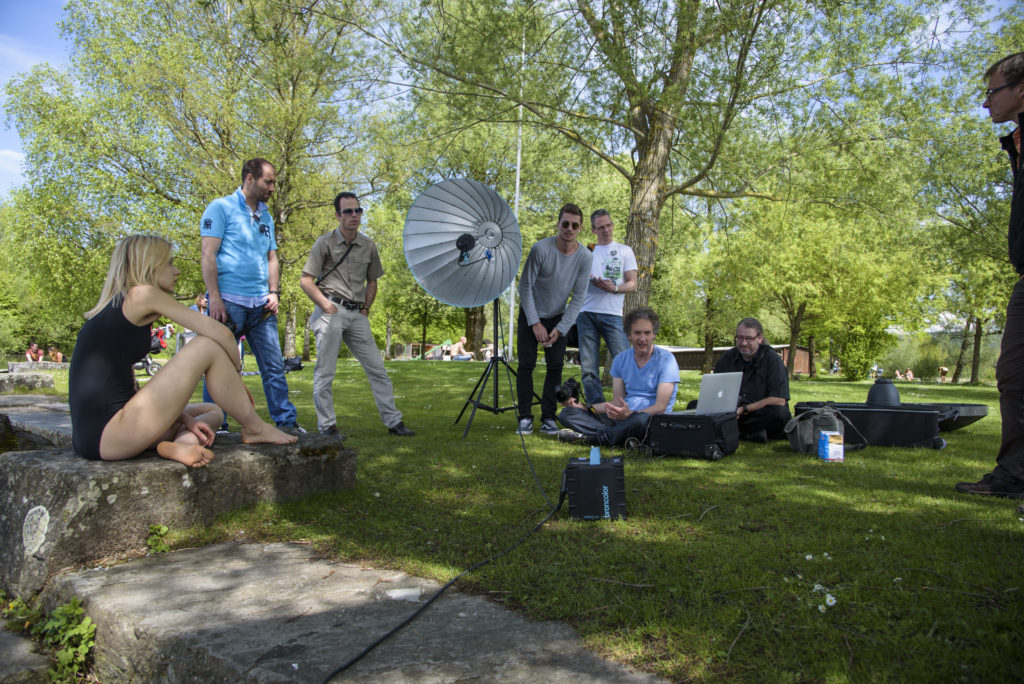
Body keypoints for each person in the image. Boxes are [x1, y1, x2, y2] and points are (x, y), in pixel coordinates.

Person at [68, 235, 296, 466]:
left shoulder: (120, 306)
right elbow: (221, 333)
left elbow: (124, 387)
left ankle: (183, 445)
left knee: (213, 411)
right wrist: (236, 376)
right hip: (111, 434)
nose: (176, 271)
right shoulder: (143, 294)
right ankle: (255, 428)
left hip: (101, 436)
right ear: (149, 265)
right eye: (169, 263)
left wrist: (185, 419)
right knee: (205, 345)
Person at [956, 53, 1024, 499]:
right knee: (1013, 374)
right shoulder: (1018, 143)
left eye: (991, 91)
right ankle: (1015, 474)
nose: (985, 103)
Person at [299, 191, 415, 438]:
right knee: (325, 372)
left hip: (357, 314)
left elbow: (372, 281)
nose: (355, 215)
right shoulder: (324, 243)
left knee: (378, 370)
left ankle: (394, 422)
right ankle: (327, 426)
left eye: (358, 210)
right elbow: (306, 281)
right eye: (349, 211)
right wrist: (325, 305)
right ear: (338, 215)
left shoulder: (368, 245)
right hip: (330, 310)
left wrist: (366, 309)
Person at [200, 158, 301, 431]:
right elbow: (208, 254)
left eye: (274, 183)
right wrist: (215, 297)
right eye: (267, 182)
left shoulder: (266, 216)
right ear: (248, 178)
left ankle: (286, 423)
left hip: (262, 305)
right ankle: (216, 424)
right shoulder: (220, 208)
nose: (272, 188)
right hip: (228, 303)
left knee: (273, 368)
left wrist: (274, 292)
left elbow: (272, 258)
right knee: (220, 366)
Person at [516, 203, 593, 435]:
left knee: (555, 368)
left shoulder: (585, 257)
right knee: (526, 365)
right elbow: (525, 286)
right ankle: (525, 418)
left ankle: (548, 418)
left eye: (575, 225)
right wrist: (535, 323)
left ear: (580, 228)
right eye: (565, 224)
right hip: (531, 313)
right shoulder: (541, 249)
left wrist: (560, 329)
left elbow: (579, 297)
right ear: (558, 224)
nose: (569, 229)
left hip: (559, 317)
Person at [557, 307, 678, 446]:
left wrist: (630, 414)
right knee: (567, 413)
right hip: (622, 419)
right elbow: (616, 403)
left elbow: (660, 407)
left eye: (647, 332)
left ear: (654, 334)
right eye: (637, 333)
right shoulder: (620, 360)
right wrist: (585, 407)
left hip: (650, 420)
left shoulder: (667, 360)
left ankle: (594, 438)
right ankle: (621, 437)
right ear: (628, 335)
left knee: (639, 420)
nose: (642, 338)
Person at [576, 209, 639, 405]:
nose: (606, 230)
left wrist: (614, 288)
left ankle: (629, 405)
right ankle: (596, 409)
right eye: (600, 227)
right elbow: (572, 280)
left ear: (612, 225)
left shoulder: (624, 250)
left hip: (612, 314)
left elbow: (633, 283)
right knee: (588, 367)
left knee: (625, 361)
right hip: (586, 313)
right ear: (593, 230)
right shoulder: (585, 251)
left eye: (608, 225)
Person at [713, 318, 791, 442]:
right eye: (739, 338)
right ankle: (749, 433)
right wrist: (728, 410)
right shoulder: (727, 358)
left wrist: (744, 409)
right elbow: (714, 390)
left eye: (749, 338)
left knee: (780, 414)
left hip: (758, 413)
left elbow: (778, 399)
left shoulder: (772, 359)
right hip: (731, 413)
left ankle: (735, 432)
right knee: (694, 405)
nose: (743, 343)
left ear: (759, 338)